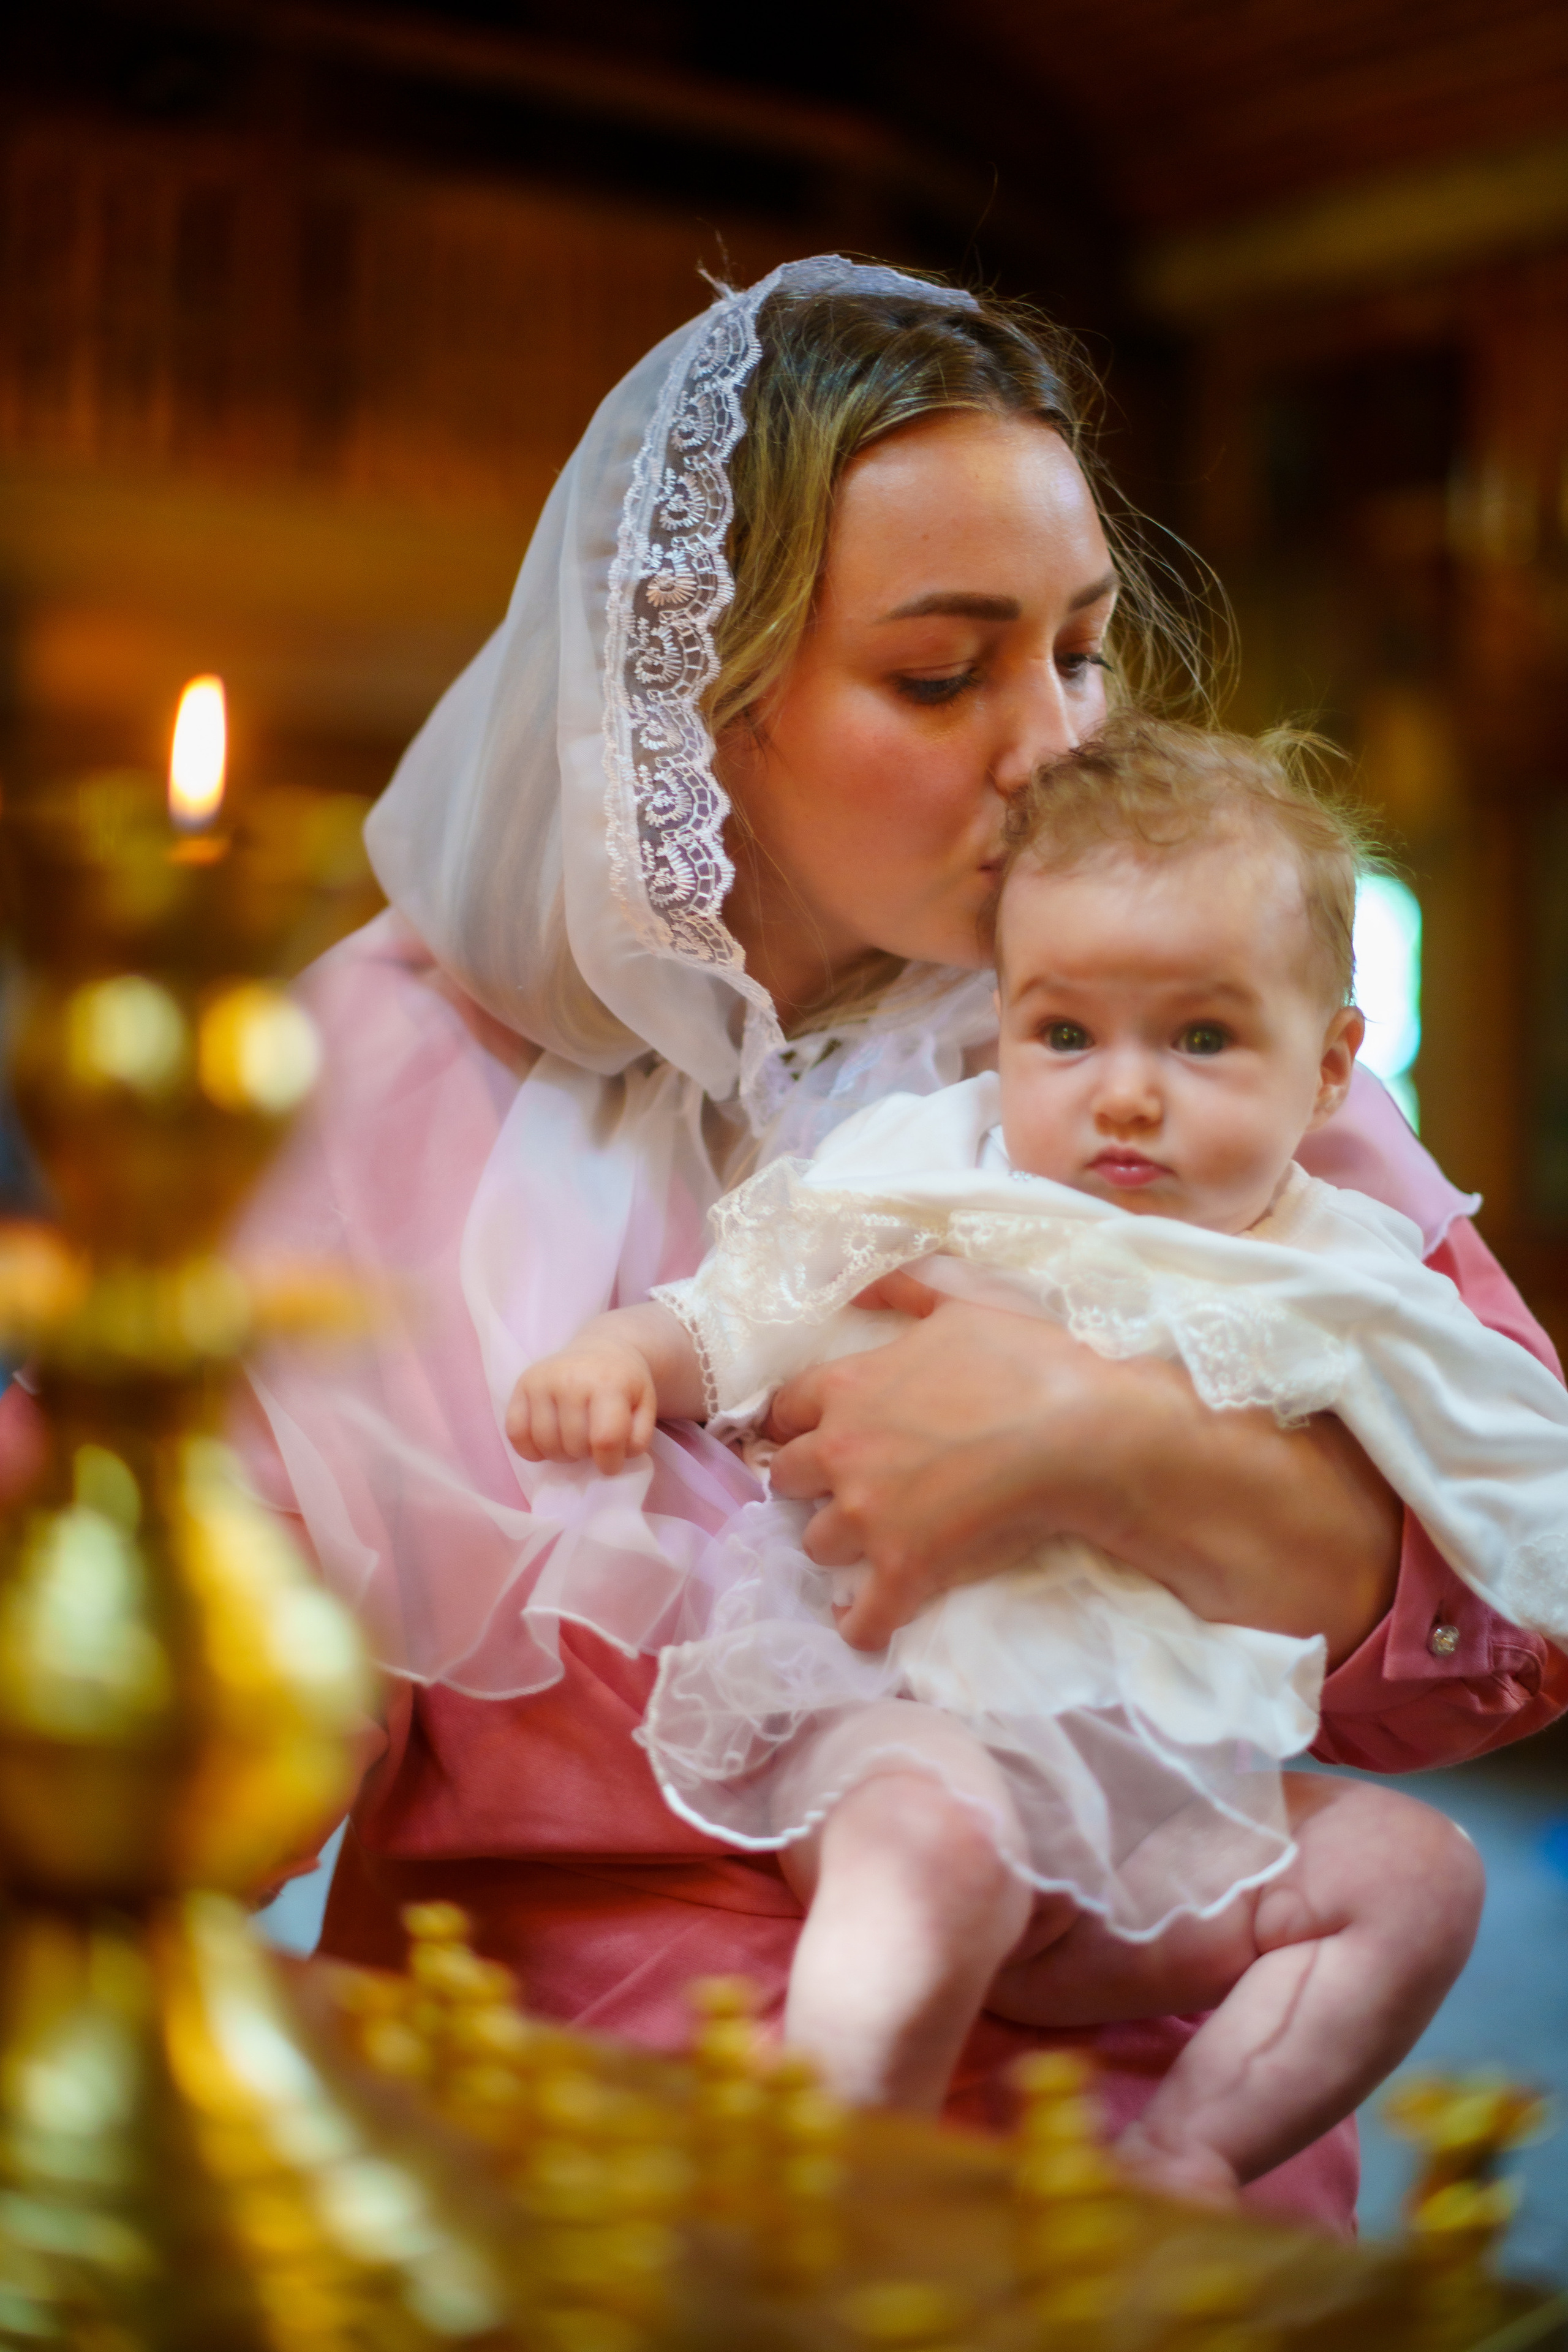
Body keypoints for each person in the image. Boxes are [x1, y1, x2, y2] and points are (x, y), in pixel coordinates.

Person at [154, 256, 1562, 2236]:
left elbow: (1509, 1632)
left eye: (1080, 650)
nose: (1056, 745)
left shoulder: (1151, 1020)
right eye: (942, 671)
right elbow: (200, 1730)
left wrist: (1109, 1447)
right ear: (699, 704)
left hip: (1136, 2124)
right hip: (588, 2137)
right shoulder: (390, 1069)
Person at [507, 712, 1568, 2202]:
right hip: (909, 1715)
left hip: (1167, 1809)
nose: (1121, 1092)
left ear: (1328, 1068)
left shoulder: (1351, 1269)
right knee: (937, 1852)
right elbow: (752, 1305)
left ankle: (1185, 2164)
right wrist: (623, 1357)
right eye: (1062, 1034)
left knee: (1416, 1877)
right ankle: (819, 2177)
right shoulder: (939, 1178)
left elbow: (1508, 1463)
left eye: (1198, 1038)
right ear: (998, 1024)